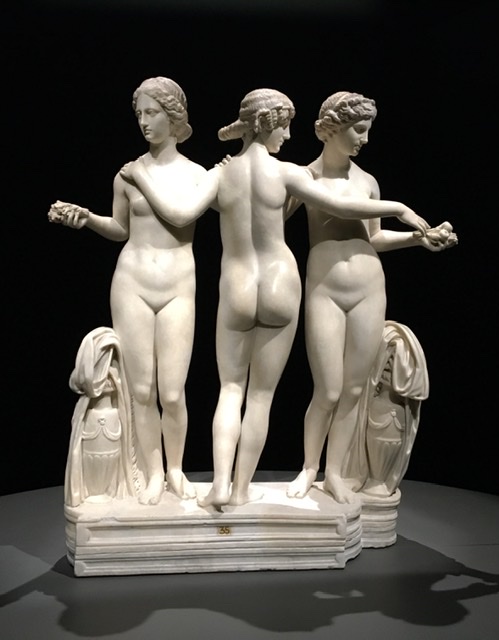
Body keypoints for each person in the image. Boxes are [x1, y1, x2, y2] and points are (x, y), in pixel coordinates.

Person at [123, 88, 431, 508]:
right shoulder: (288, 173)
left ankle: (220, 485)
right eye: (284, 127)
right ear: (268, 124)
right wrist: (398, 208)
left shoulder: (219, 175)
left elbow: (179, 215)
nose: (287, 136)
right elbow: (344, 207)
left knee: (230, 389)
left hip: (236, 286)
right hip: (280, 283)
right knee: (261, 396)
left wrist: (140, 178)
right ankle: (241, 491)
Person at [286, 91, 457, 503]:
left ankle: (334, 473)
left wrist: (418, 239)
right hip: (325, 289)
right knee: (327, 390)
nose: (364, 139)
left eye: (367, 131)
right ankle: (309, 467)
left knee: (354, 389)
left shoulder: (367, 182)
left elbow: (374, 238)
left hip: (368, 286)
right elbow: (284, 213)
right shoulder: (303, 178)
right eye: (359, 130)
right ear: (333, 129)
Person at [49, 76, 207, 505]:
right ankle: (154, 472)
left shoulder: (196, 175)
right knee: (141, 390)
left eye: (152, 112)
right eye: (139, 114)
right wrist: (88, 219)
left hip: (178, 285)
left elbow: (181, 217)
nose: (144, 122)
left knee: (172, 391)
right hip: (132, 282)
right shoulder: (126, 174)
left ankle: (176, 469)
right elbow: (121, 228)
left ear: (173, 116)